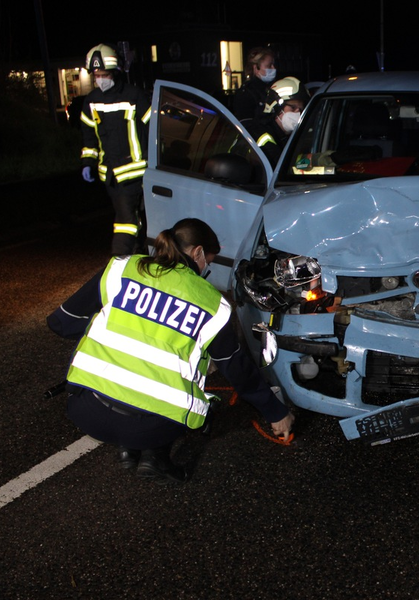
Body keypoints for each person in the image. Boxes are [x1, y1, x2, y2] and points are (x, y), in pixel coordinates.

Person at [47, 218, 295, 484]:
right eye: (208, 262)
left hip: (86, 411)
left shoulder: (122, 268)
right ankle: (156, 458)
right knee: (195, 383)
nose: (206, 268)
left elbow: (61, 323)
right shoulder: (212, 303)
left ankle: (128, 450)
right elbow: (238, 370)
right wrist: (276, 412)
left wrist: (110, 323)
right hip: (151, 428)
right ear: (198, 253)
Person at [80, 44, 151, 256]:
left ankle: (135, 258)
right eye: (96, 75)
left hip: (139, 171)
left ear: (114, 72)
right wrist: (88, 163)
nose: (100, 79)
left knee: (138, 221)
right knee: (126, 221)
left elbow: (151, 130)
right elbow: (89, 137)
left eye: (104, 74)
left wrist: (153, 160)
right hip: (114, 177)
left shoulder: (134, 95)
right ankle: (123, 260)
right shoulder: (91, 102)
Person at [256, 76, 310, 167]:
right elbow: (283, 167)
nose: (298, 113)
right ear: (276, 108)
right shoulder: (263, 137)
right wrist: (313, 160)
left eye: (300, 109)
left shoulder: (291, 136)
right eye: (293, 108)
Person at [232, 46, 280, 134]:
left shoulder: (271, 89)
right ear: (256, 68)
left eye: (273, 65)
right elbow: (246, 127)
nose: (273, 69)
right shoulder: (246, 94)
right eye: (269, 65)